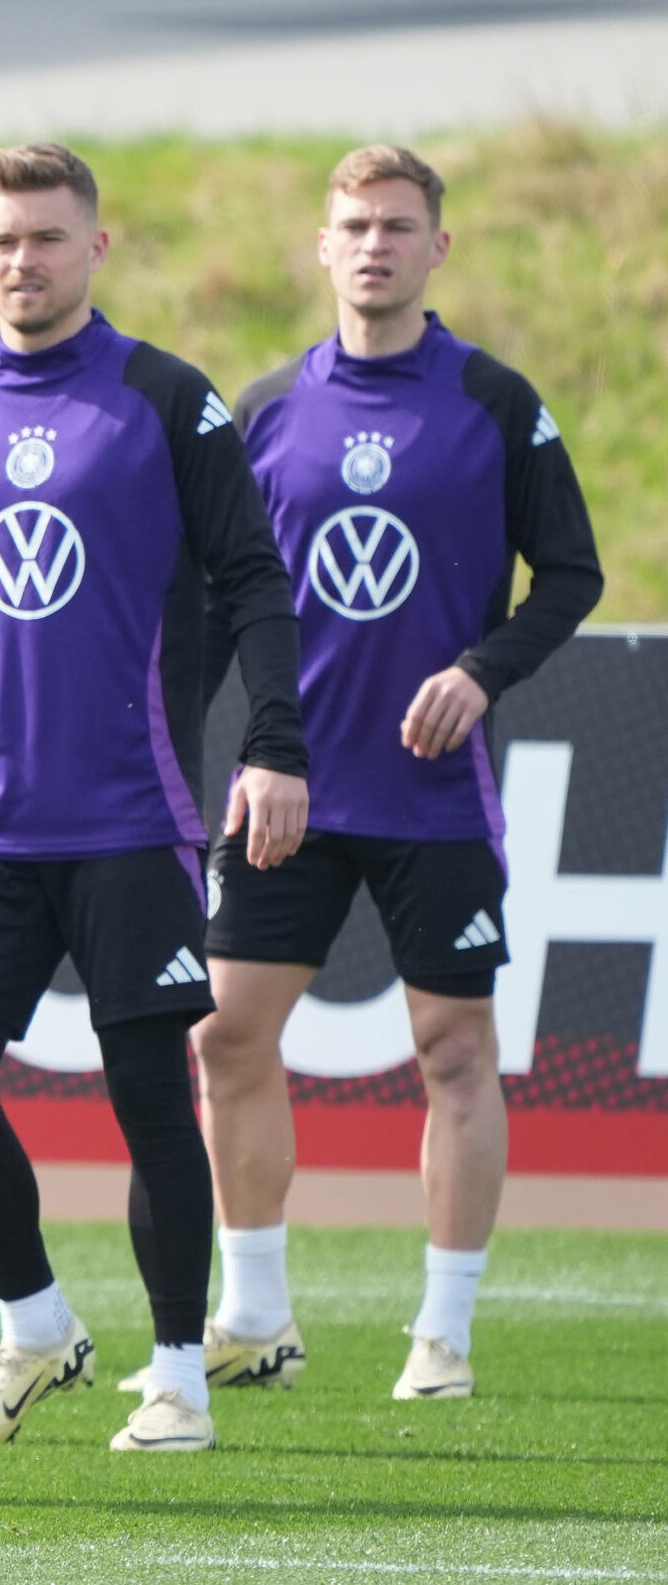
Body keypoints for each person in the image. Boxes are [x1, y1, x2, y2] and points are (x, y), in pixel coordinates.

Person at [0, 141, 310, 1454]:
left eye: (49, 235)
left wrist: (276, 741)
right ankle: (36, 1323)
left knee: (151, 1085)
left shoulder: (166, 399)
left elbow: (255, 578)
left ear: (96, 248)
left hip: (131, 812)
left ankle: (177, 1373)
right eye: (4, 239)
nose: (24, 259)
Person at [179, 145, 602, 1403]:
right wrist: (194, 745)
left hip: (431, 793)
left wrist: (483, 668)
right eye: (354, 225)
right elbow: (214, 603)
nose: (374, 244)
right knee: (225, 1037)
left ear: (438, 248)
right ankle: (254, 1315)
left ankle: (444, 1334)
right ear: (322, 246)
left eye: (399, 226)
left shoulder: (494, 401)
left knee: (453, 1052)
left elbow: (571, 574)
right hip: (288, 788)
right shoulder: (259, 413)